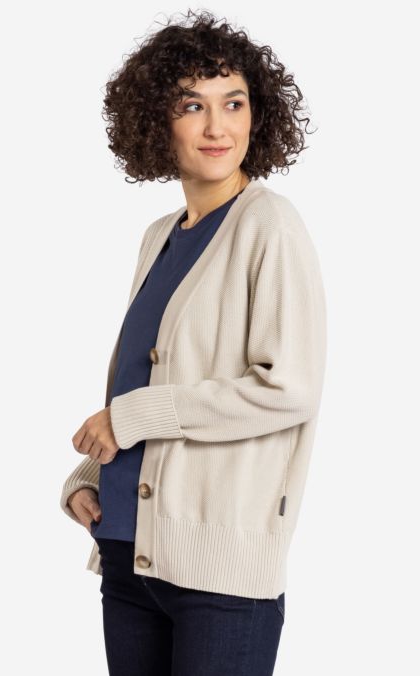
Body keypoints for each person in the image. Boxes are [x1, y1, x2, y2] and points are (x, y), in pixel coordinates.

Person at [60, 9, 327, 676]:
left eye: (233, 103)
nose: (217, 127)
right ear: (157, 121)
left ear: (258, 115)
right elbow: (140, 378)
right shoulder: (160, 235)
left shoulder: (269, 225)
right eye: (191, 105)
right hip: (126, 554)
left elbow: (289, 388)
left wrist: (132, 417)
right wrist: (92, 476)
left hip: (220, 580)